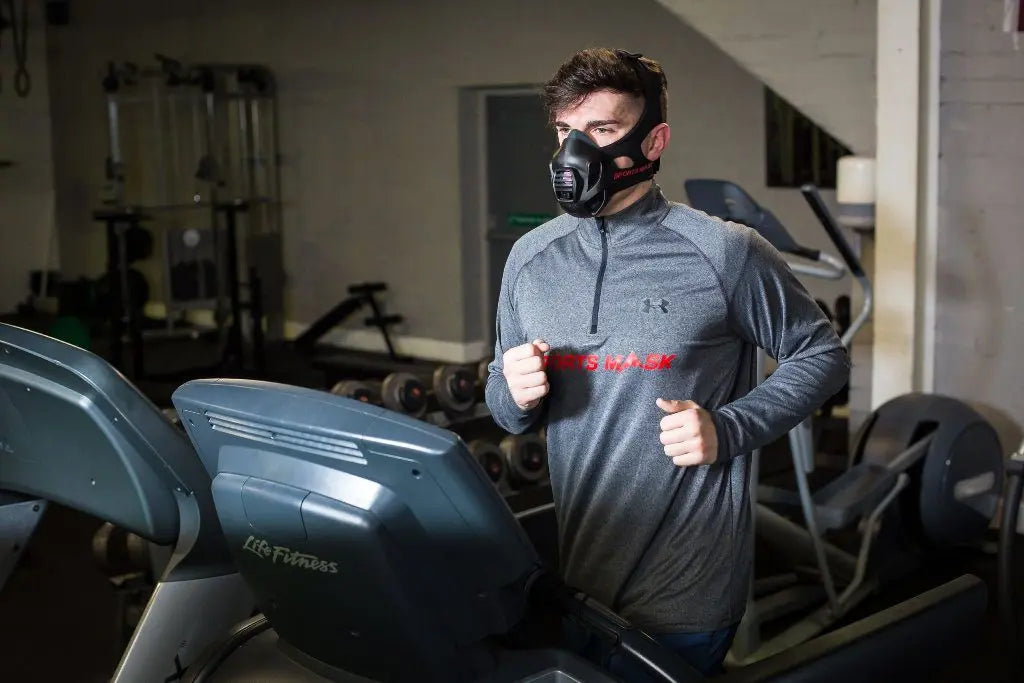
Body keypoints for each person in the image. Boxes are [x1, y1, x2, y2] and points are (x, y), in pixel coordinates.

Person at [484, 48, 850, 679]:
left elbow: (821, 353)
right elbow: (505, 411)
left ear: (653, 140)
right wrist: (512, 393)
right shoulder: (530, 258)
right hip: (580, 576)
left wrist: (729, 428)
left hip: (688, 588)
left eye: (601, 131)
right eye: (567, 133)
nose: (577, 152)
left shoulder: (723, 252)